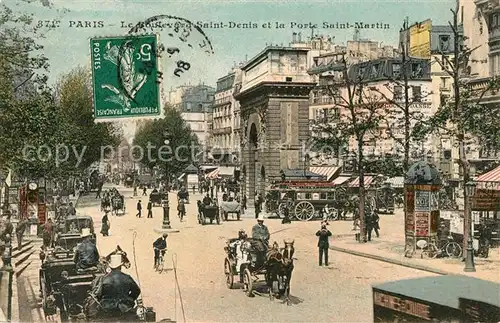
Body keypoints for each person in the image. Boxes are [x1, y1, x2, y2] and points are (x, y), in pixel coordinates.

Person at [96, 254, 141, 319]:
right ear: (120, 266)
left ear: (110, 267)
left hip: (108, 308)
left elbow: (98, 295)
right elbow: (137, 291)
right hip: (125, 308)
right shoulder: (127, 278)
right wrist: (129, 299)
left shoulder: (104, 279)